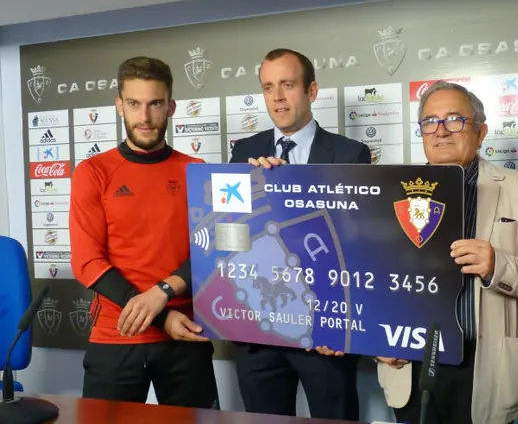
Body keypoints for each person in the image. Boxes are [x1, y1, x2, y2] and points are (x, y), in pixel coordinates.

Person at [375, 81, 518, 424]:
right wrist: (376, 337)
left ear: (481, 131)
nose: (441, 131)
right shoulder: (392, 190)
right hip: (409, 363)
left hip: (485, 364)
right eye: (430, 121)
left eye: (454, 120)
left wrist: (498, 266)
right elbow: (371, 275)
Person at [69, 56, 219, 408]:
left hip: (186, 335)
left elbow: (211, 249)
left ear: (171, 107)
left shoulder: (196, 170)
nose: (145, 117)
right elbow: (87, 262)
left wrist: (164, 292)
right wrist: (161, 313)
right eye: (134, 104)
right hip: (116, 334)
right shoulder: (93, 172)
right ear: (120, 106)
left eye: (155, 104)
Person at [229, 48, 370, 420]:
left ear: (312, 91)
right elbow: (231, 239)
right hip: (259, 331)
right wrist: (260, 191)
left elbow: (356, 247)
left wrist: (343, 327)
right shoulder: (244, 153)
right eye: (268, 87)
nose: (277, 97)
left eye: (287, 85)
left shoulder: (351, 154)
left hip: (325, 332)